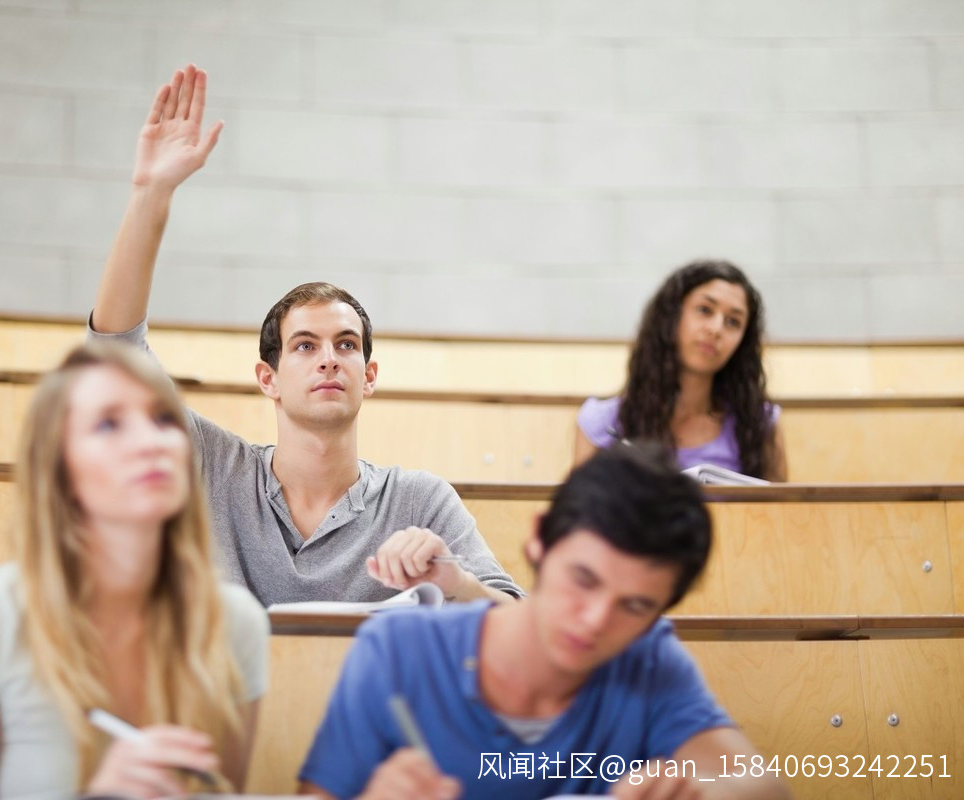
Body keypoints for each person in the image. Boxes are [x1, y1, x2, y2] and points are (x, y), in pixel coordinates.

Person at [88, 63, 522, 607]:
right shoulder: (211, 467)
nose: (329, 359)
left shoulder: (419, 501)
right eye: (305, 345)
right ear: (267, 378)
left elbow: (517, 623)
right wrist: (151, 193)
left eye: (346, 344)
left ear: (369, 376)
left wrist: (456, 583)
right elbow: (114, 357)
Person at [299, 445, 792, 800]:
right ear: (540, 539)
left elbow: (763, 786)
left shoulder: (647, 659)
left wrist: (696, 791)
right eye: (583, 578)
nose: (596, 621)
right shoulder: (398, 651)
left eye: (635, 606)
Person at [0, 341, 269, 800]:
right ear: (60, 469)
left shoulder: (235, 624)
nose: (150, 442)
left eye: (163, 418)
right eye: (108, 424)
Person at [574, 261, 788, 482]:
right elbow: (581, 503)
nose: (716, 329)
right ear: (671, 316)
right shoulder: (603, 424)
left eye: (733, 322)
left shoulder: (758, 424)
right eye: (705, 310)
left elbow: (780, 505)